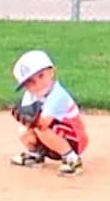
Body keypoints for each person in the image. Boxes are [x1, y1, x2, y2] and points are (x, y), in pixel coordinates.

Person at [9, 49, 89, 177]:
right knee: (23, 129)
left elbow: (44, 122)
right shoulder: (29, 95)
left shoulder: (58, 95)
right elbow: (29, 121)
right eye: (30, 82)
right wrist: (23, 119)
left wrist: (29, 118)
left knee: (41, 127)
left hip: (75, 139)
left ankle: (72, 159)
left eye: (41, 76)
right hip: (53, 136)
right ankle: (35, 154)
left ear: (51, 72)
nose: (38, 84)